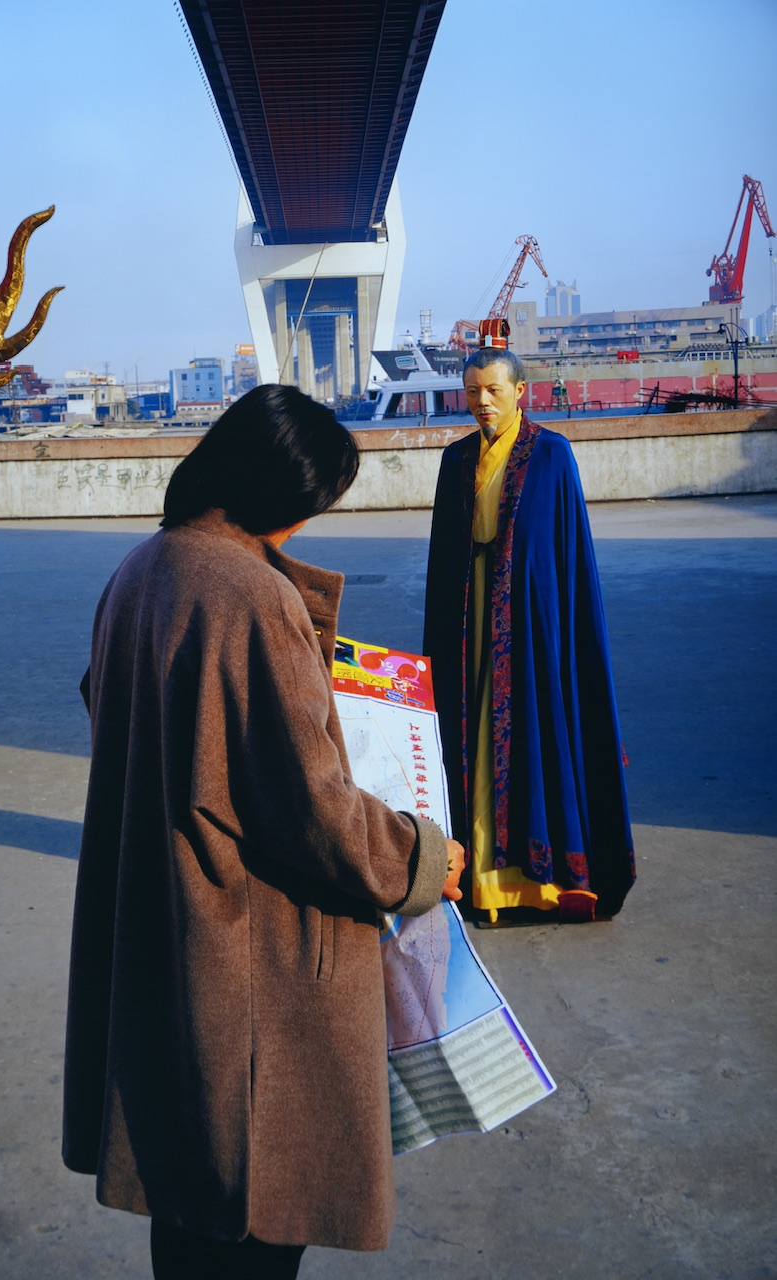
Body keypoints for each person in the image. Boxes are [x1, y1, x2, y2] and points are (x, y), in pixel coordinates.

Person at [62, 383, 464, 1280]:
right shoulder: (247, 593)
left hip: (166, 923)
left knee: (190, 1197)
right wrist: (422, 857)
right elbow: (308, 805)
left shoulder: (142, 568)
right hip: (249, 951)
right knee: (256, 1200)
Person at [423, 345, 635, 927]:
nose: (482, 402)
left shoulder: (552, 455)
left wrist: (561, 630)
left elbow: (569, 556)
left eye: (493, 390)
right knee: (474, 735)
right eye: (472, 391)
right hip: (469, 624)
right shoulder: (456, 459)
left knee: (534, 733)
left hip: (533, 626)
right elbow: (443, 561)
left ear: (520, 391)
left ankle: (541, 880)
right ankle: (480, 879)